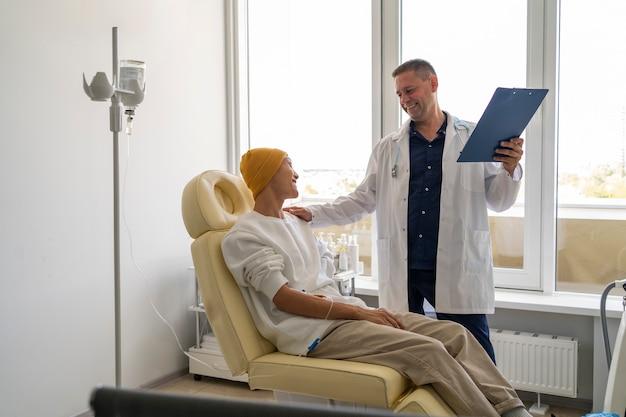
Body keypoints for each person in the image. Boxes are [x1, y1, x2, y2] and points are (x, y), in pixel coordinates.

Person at [221, 147, 531, 417]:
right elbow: (284, 299)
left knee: (456, 334)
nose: (297, 173)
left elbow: (322, 269)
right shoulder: (245, 235)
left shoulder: (296, 221)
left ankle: (513, 410)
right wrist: (361, 313)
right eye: (289, 163)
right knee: (429, 351)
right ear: (268, 172)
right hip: (312, 332)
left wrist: (358, 311)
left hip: (344, 314)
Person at [285, 59, 524, 362]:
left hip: (458, 266)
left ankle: (494, 407)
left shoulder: (473, 137)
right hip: (406, 268)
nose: (405, 100)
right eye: (399, 94)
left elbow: (499, 200)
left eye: (410, 90)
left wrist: (510, 168)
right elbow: (361, 200)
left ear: (433, 84)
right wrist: (314, 213)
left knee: (476, 352)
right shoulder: (389, 147)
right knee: (411, 351)